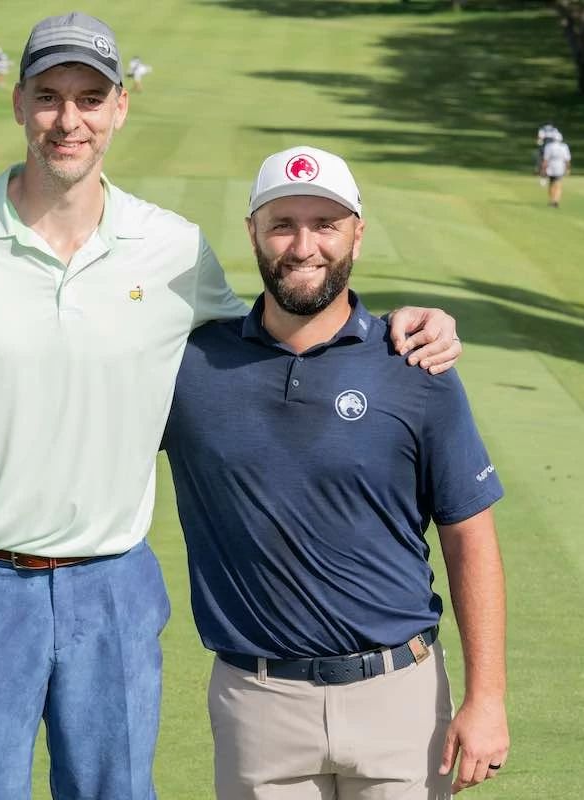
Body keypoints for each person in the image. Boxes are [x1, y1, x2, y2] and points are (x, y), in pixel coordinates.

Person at [0, 13, 464, 800]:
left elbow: (272, 330)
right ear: (18, 106)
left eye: (88, 97)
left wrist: (393, 328)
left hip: (114, 589)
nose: (68, 120)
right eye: (48, 97)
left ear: (119, 109)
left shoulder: (171, 249)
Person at [163, 146, 508, 799]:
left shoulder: (416, 362)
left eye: (325, 223)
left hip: (401, 702)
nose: (303, 244)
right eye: (283, 223)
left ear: (357, 231)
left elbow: (471, 536)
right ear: (253, 233)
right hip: (256, 705)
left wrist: (486, 697)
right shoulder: (191, 368)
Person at [541, 134, 571, 207]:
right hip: (560, 166)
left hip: (551, 166)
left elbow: (546, 159)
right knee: (558, 184)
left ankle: (552, 200)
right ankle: (556, 200)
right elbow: (567, 159)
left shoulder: (549, 146)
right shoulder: (564, 147)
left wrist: (543, 169)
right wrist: (568, 168)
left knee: (551, 184)